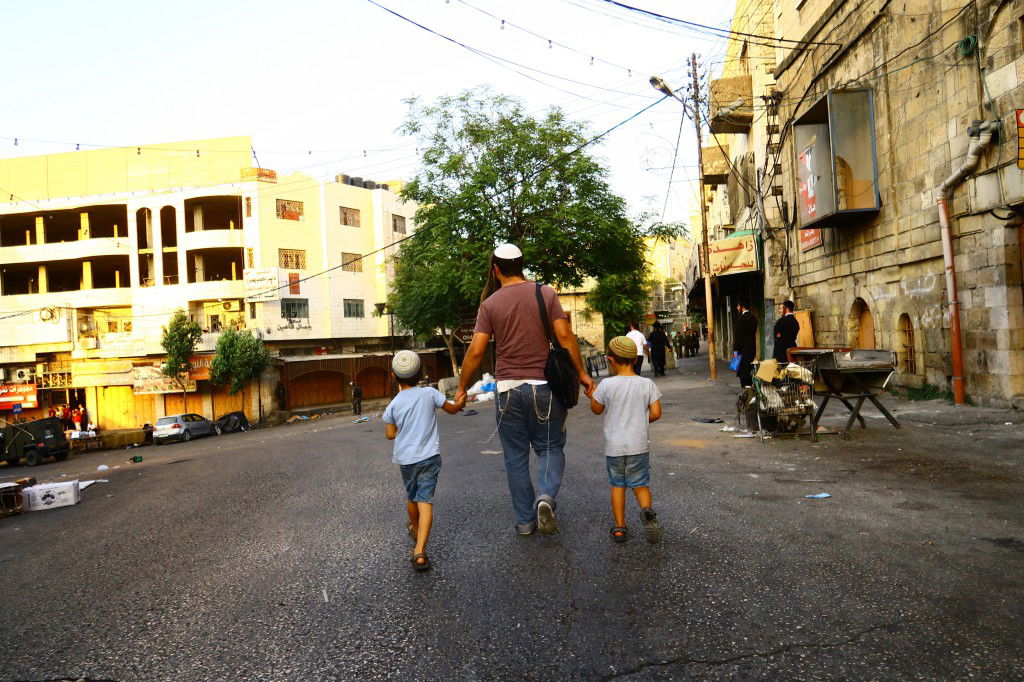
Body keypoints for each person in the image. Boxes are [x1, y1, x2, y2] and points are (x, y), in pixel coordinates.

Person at [456, 244, 595, 536]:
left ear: (495, 269)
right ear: (522, 265)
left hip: (507, 389)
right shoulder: (545, 293)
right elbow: (565, 336)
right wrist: (581, 373)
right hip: (544, 387)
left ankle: (524, 522)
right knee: (549, 447)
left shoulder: (490, 304)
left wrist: (461, 387)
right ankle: (545, 497)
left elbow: (476, 351)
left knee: (515, 457)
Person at [383, 350, 465, 572]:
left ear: (393, 376)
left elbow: (390, 434)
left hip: (406, 460)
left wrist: (402, 426)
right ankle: (419, 551)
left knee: (412, 496)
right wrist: (460, 400)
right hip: (429, 457)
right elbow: (453, 409)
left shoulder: (394, 404)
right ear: (420, 373)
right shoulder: (429, 393)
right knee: (425, 500)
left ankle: (416, 528)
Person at [585, 336, 664, 543]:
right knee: (640, 484)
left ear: (611, 359)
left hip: (615, 447)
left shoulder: (606, 385)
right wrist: (640, 418)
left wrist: (592, 395)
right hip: (638, 445)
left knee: (618, 486)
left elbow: (596, 409)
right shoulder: (647, 384)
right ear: (635, 359)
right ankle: (646, 511)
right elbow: (656, 413)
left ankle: (620, 527)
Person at [733, 299, 759, 388]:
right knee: (750, 369)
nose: (737, 308)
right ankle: (751, 388)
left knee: (743, 371)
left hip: (743, 349)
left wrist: (735, 350)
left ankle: (746, 390)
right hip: (752, 348)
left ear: (742, 307)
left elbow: (738, 336)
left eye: (738, 306)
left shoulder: (741, 319)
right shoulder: (754, 318)